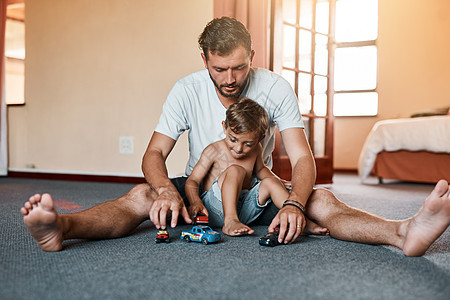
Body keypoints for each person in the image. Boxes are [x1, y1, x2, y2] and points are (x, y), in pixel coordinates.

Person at [21, 17, 449, 256]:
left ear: (252, 58)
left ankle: (403, 232)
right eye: (219, 69)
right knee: (141, 196)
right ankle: (61, 226)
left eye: (240, 68)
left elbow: (301, 159)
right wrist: (168, 192)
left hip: (261, 194)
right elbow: (154, 154)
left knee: (322, 200)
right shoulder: (185, 89)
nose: (230, 79)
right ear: (204, 59)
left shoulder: (276, 87)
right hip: (199, 199)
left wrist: (296, 203)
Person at [185, 97, 329, 236]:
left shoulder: (256, 149)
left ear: (259, 138)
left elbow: (261, 170)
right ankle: (230, 221)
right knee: (236, 170)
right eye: (233, 139)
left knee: (270, 182)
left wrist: (278, 181)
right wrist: (195, 202)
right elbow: (193, 181)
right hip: (215, 209)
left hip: (244, 207)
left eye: (248, 144)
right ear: (224, 127)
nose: (239, 148)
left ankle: (298, 221)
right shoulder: (213, 150)